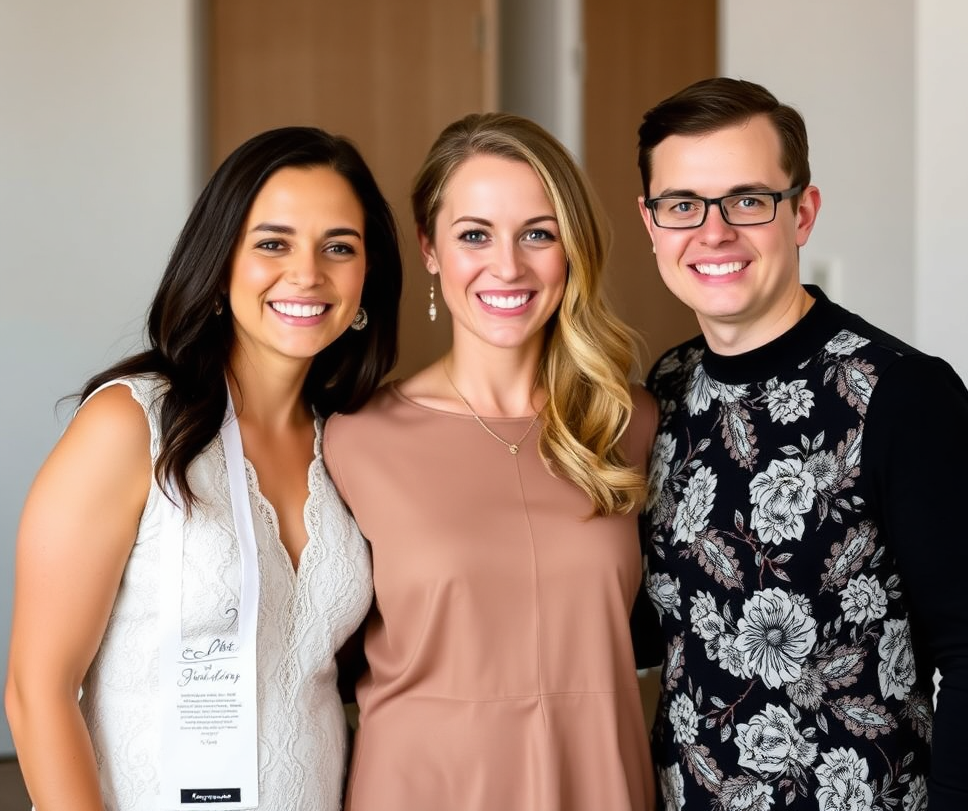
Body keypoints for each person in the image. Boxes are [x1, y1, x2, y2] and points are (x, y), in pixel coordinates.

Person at [632, 76, 968, 811]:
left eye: (748, 200)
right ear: (651, 223)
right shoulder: (671, 383)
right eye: (682, 205)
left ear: (802, 212)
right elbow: (666, 630)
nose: (712, 233)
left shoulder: (902, 395)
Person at [6, 126, 402, 810]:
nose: (307, 273)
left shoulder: (352, 442)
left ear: (368, 278)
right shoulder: (131, 425)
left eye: (339, 247)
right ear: (220, 262)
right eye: (273, 243)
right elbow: (36, 689)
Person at [323, 112, 659, 810]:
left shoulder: (631, 424)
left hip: (598, 781)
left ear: (572, 249)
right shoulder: (355, 439)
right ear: (430, 249)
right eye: (474, 234)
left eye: (538, 233)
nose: (507, 266)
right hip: (421, 786)